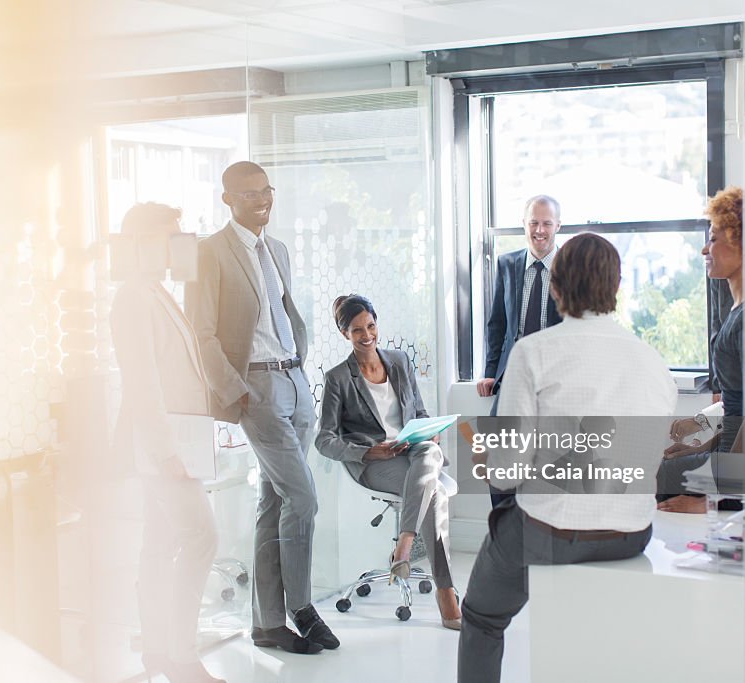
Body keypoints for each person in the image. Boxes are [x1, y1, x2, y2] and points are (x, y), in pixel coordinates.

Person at [458, 233, 678, 683]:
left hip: (550, 529)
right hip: (630, 533)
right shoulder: (654, 362)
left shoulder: (533, 352)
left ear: (555, 287)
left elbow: (508, 471)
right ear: (615, 288)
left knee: (481, 617)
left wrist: (485, 459)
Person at [187, 161, 338, 654]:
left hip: (293, 379)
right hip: (256, 388)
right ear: (228, 198)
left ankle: (267, 625)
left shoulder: (277, 249)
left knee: (274, 503)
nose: (261, 200)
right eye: (249, 194)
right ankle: (302, 608)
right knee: (304, 498)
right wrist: (236, 391)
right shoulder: (210, 253)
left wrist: (300, 368)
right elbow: (201, 333)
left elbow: (284, 313)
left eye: (265, 191)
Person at [109, 202, 224, 683]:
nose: (180, 245)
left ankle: (158, 654)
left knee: (158, 549)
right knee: (202, 537)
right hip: (164, 450)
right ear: (144, 243)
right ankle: (180, 656)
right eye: (170, 236)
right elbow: (143, 384)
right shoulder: (133, 298)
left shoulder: (157, 291)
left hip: (178, 444)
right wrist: (165, 454)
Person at [315, 295, 462, 630]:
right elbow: (324, 439)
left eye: (370, 325)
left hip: (413, 449)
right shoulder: (339, 378)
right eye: (356, 330)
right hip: (375, 461)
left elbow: (419, 412)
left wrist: (430, 431)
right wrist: (368, 452)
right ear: (345, 334)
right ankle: (446, 591)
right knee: (434, 492)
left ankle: (404, 544)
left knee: (431, 452)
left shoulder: (399, 361)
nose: (367, 335)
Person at [658, 186, 745, 513]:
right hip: (726, 457)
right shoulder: (738, 311)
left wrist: (711, 503)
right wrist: (705, 444)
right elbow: (739, 411)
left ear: (741, 241)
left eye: (714, 238)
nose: (704, 249)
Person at [476, 195, 564, 507]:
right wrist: (490, 373)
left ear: (558, 226)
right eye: (534, 223)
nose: (540, 230)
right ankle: (504, 532)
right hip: (511, 376)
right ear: (524, 225)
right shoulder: (507, 264)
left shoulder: (569, 268)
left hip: (551, 381)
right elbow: (497, 323)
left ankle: (542, 536)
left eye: (547, 224)